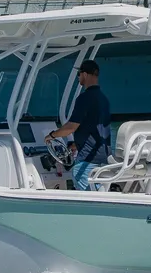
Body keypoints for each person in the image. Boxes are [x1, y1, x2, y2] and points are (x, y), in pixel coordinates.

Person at [45, 59, 111, 190]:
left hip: (88, 160)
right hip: (104, 157)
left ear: (85, 74)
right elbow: (96, 128)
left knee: (88, 195)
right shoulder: (103, 99)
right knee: (98, 193)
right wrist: (76, 145)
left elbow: (70, 127)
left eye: (79, 74)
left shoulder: (84, 98)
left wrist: (51, 136)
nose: (78, 78)